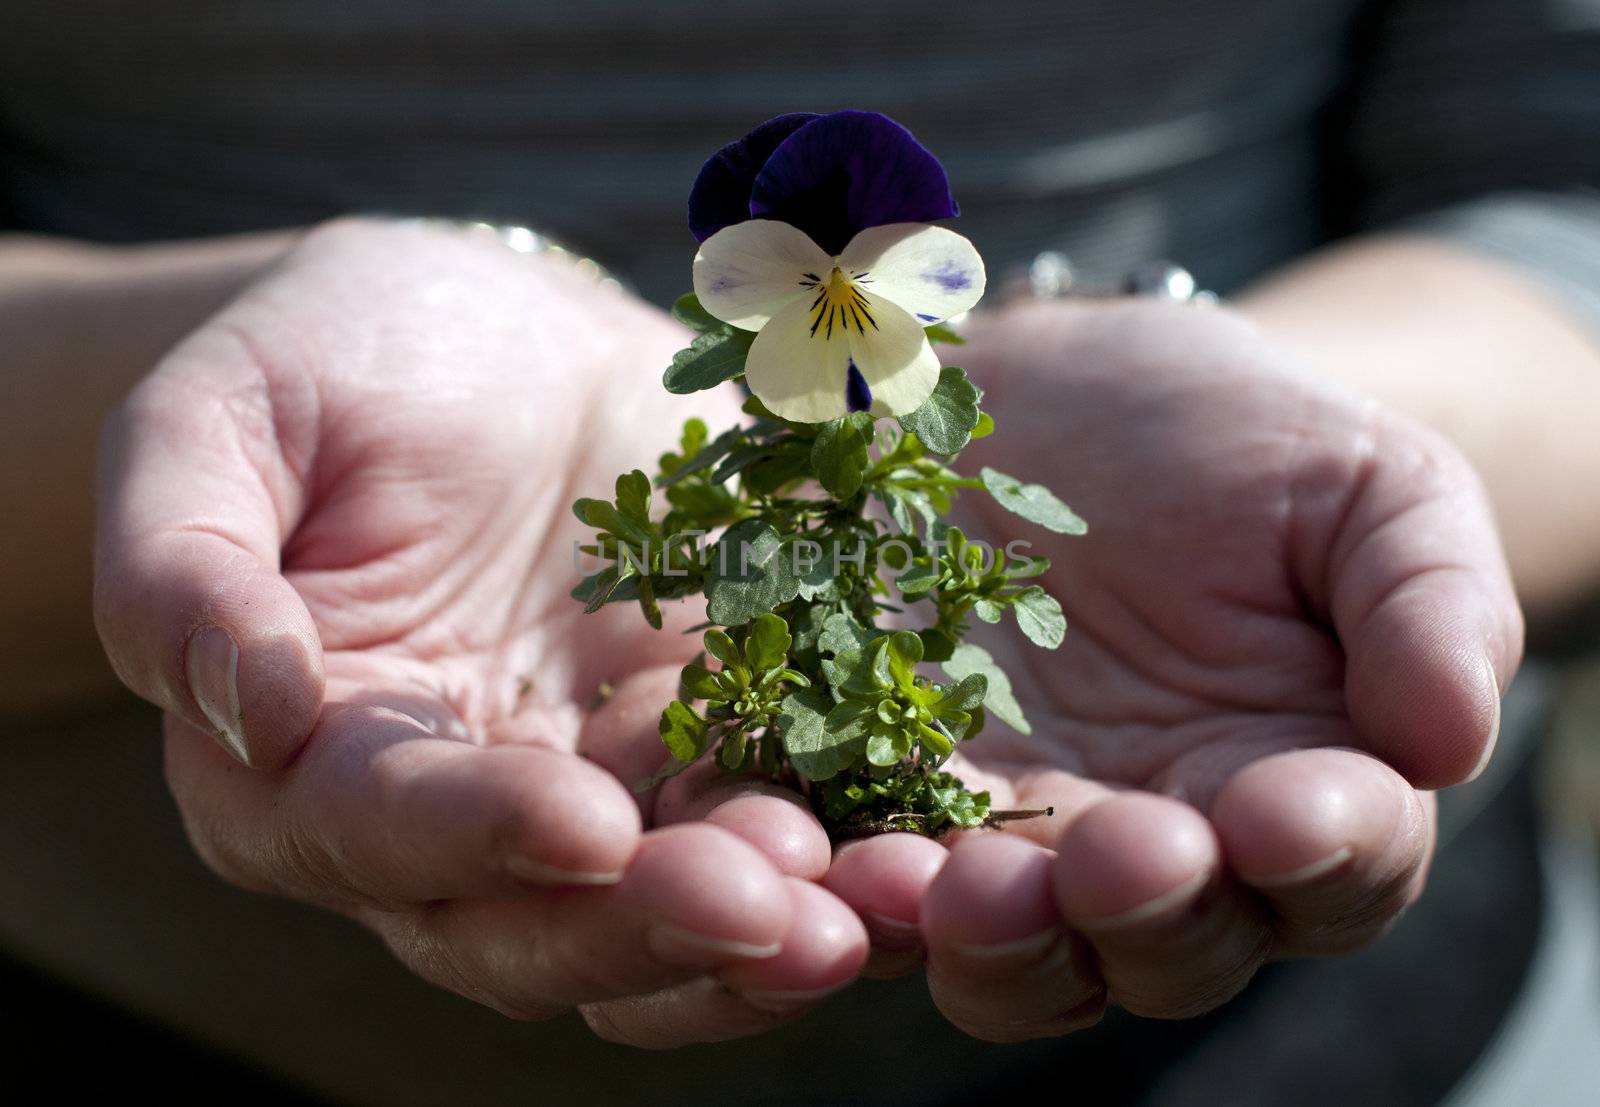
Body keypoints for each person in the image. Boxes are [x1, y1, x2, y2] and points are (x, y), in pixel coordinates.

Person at [3, 0, 1599, 1102]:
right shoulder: (791, 345)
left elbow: (1564, 186)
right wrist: (192, 415)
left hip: (1338, 1055)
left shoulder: (838, 344)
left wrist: (1312, 473)